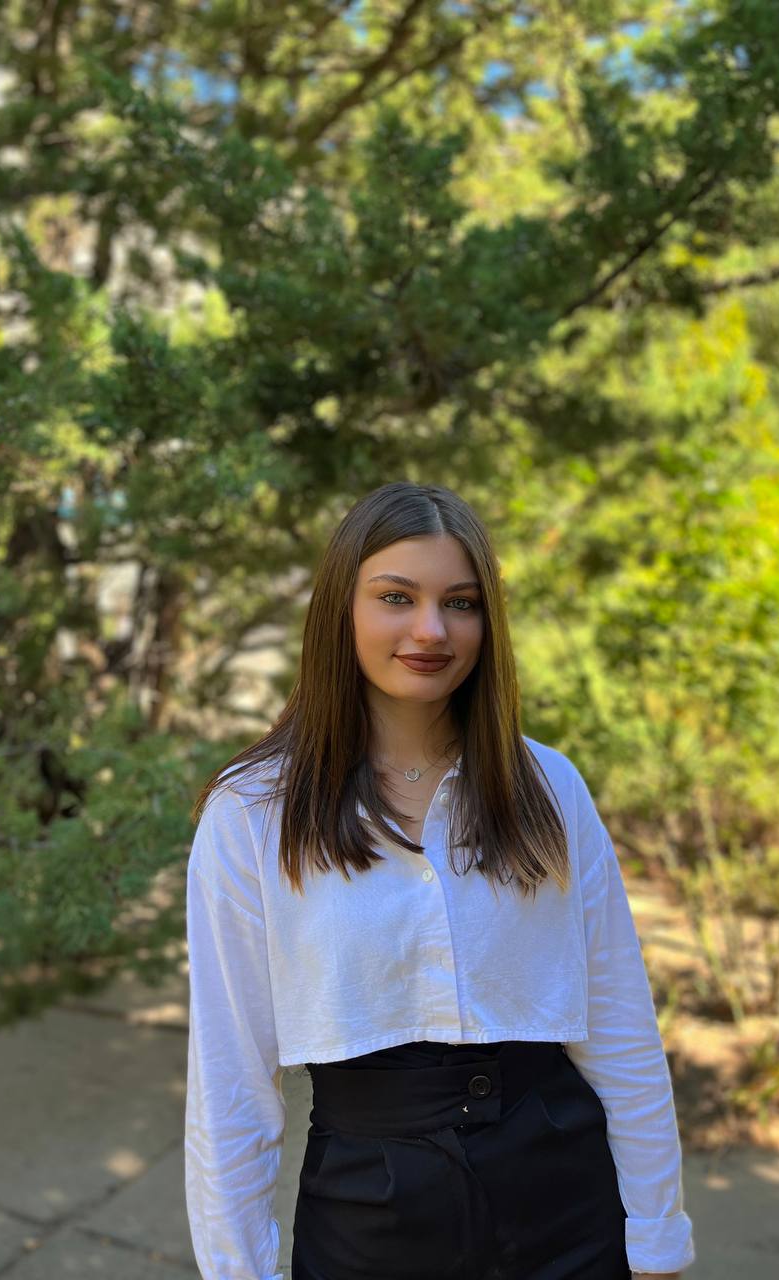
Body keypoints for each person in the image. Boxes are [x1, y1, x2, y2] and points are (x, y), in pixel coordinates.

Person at [184, 480, 695, 1279]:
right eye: (397, 597)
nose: (431, 629)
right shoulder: (253, 813)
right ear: (341, 609)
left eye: (460, 603)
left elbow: (620, 1027)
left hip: (565, 1201)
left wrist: (658, 1237)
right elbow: (231, 1079)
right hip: (369, 1211)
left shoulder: (549, 788)